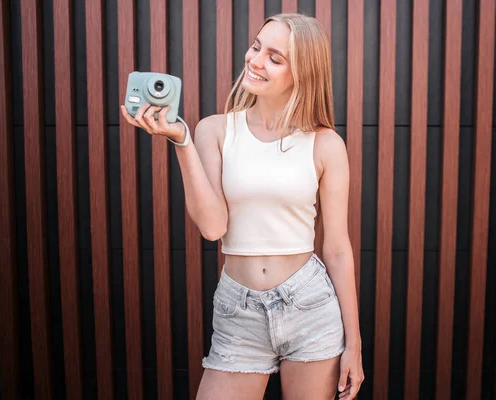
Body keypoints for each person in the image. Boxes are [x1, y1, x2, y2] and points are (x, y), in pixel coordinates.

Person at [120, 13, 363, 400]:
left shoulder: (326, 144)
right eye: (256, 46)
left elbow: (336, 247)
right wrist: (180, 140)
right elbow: (213, 227)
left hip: (310, 306)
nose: (255, 60)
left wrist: (355, 343)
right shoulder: (214, 130)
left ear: (301, 73)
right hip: (239, 309)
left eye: (275, 57)